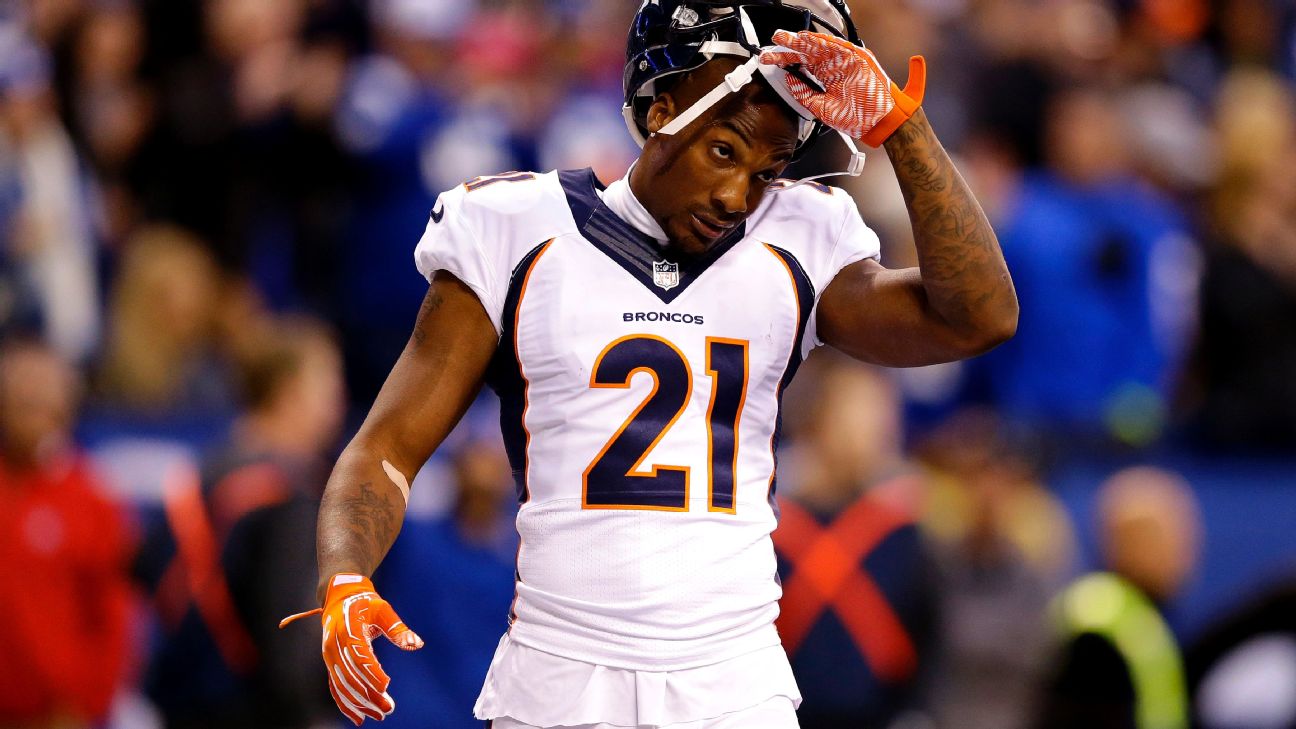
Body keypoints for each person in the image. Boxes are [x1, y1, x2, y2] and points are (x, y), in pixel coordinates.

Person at [282, 2, 1018, 727]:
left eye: (766, 170)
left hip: (733, 682)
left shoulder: (798, 237)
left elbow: (979, 316)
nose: (736, 195)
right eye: (725, 151)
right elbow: (385, 451)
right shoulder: (516, 231)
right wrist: (346, 575)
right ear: (659, 109)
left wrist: (902, 130)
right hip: (560, 675)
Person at [138, 318, 346, 728]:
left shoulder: (197, 477)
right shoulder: (286, 494)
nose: (338, 404)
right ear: (289, 393)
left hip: (181, 703)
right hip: (258, 711)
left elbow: (145, 573)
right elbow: (289, 632)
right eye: (328, 388)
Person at [774, 358, 940, 728]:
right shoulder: (774, 526)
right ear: (816, 421)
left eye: (877, 417)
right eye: (850, 415)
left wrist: (917, 710)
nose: (863, 432)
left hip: (878, 714)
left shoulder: (903, 530)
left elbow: (929, 631)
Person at [0, 339, 133, 728]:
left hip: (59, 715)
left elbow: (111, 612)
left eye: (41, 398)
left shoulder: (91, 499)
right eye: (20, 398)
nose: (31, 409)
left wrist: (87, 702)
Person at [1034, 466, 1200, 729]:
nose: (1183, 549)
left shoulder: (1151, 613)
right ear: (1121, 540)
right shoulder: (1096, 623)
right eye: (1161, 533)